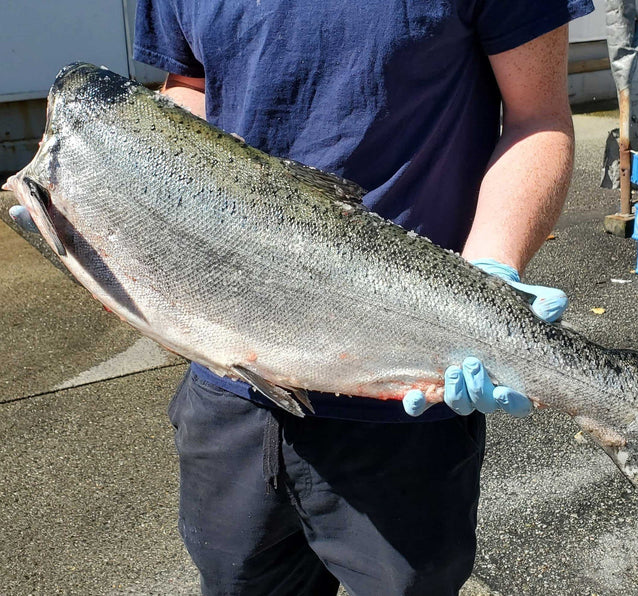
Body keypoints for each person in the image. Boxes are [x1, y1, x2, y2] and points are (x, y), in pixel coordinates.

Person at [12, 0, 593, 593]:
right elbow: (191, 85)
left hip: (406, 388)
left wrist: (491, 270)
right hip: (229, 383)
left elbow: (536, 117)